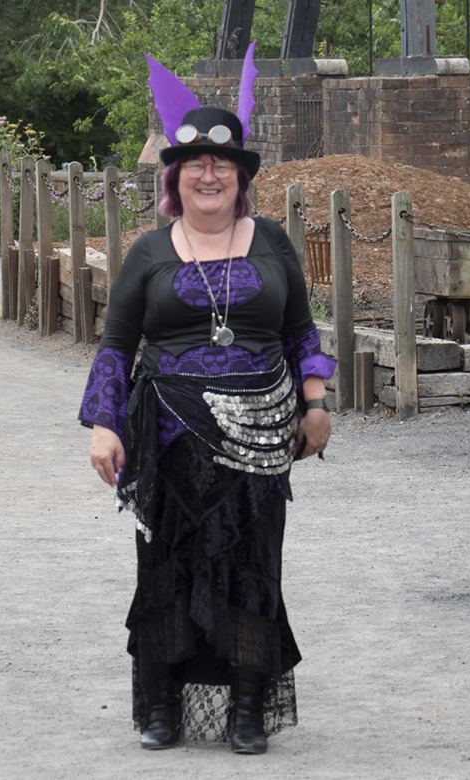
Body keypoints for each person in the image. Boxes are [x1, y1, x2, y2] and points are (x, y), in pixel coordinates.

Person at [79, 51, 336, 754]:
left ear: (241, 177)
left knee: (254, 567)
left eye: (223, 165)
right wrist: (104, 426)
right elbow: (115, 346)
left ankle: (248, 709)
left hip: (260, 437)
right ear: (175, 178)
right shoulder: (149, 252)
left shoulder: (273, 242)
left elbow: (301, 331)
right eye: (194, 164)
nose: (209, 175)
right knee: (166, 567)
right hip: (166, 441)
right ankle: (162, 705)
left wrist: (316, 404)